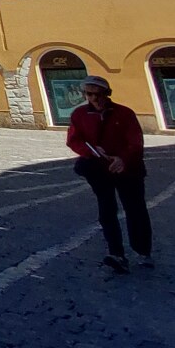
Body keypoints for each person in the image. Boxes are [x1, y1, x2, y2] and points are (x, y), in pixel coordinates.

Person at [65, 75, 151, 273]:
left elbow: (135, 142)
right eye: (89, 94)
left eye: (98, 94)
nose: (94, 98)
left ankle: (142, 250)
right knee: (106, 210)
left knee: (135, 209)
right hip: (100, 169)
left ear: (107, 94)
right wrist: (91, 151)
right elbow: (74, 140)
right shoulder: (79, 114)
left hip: (128, 170)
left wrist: (123, 159)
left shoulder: (124, 114)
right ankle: (116, 253)